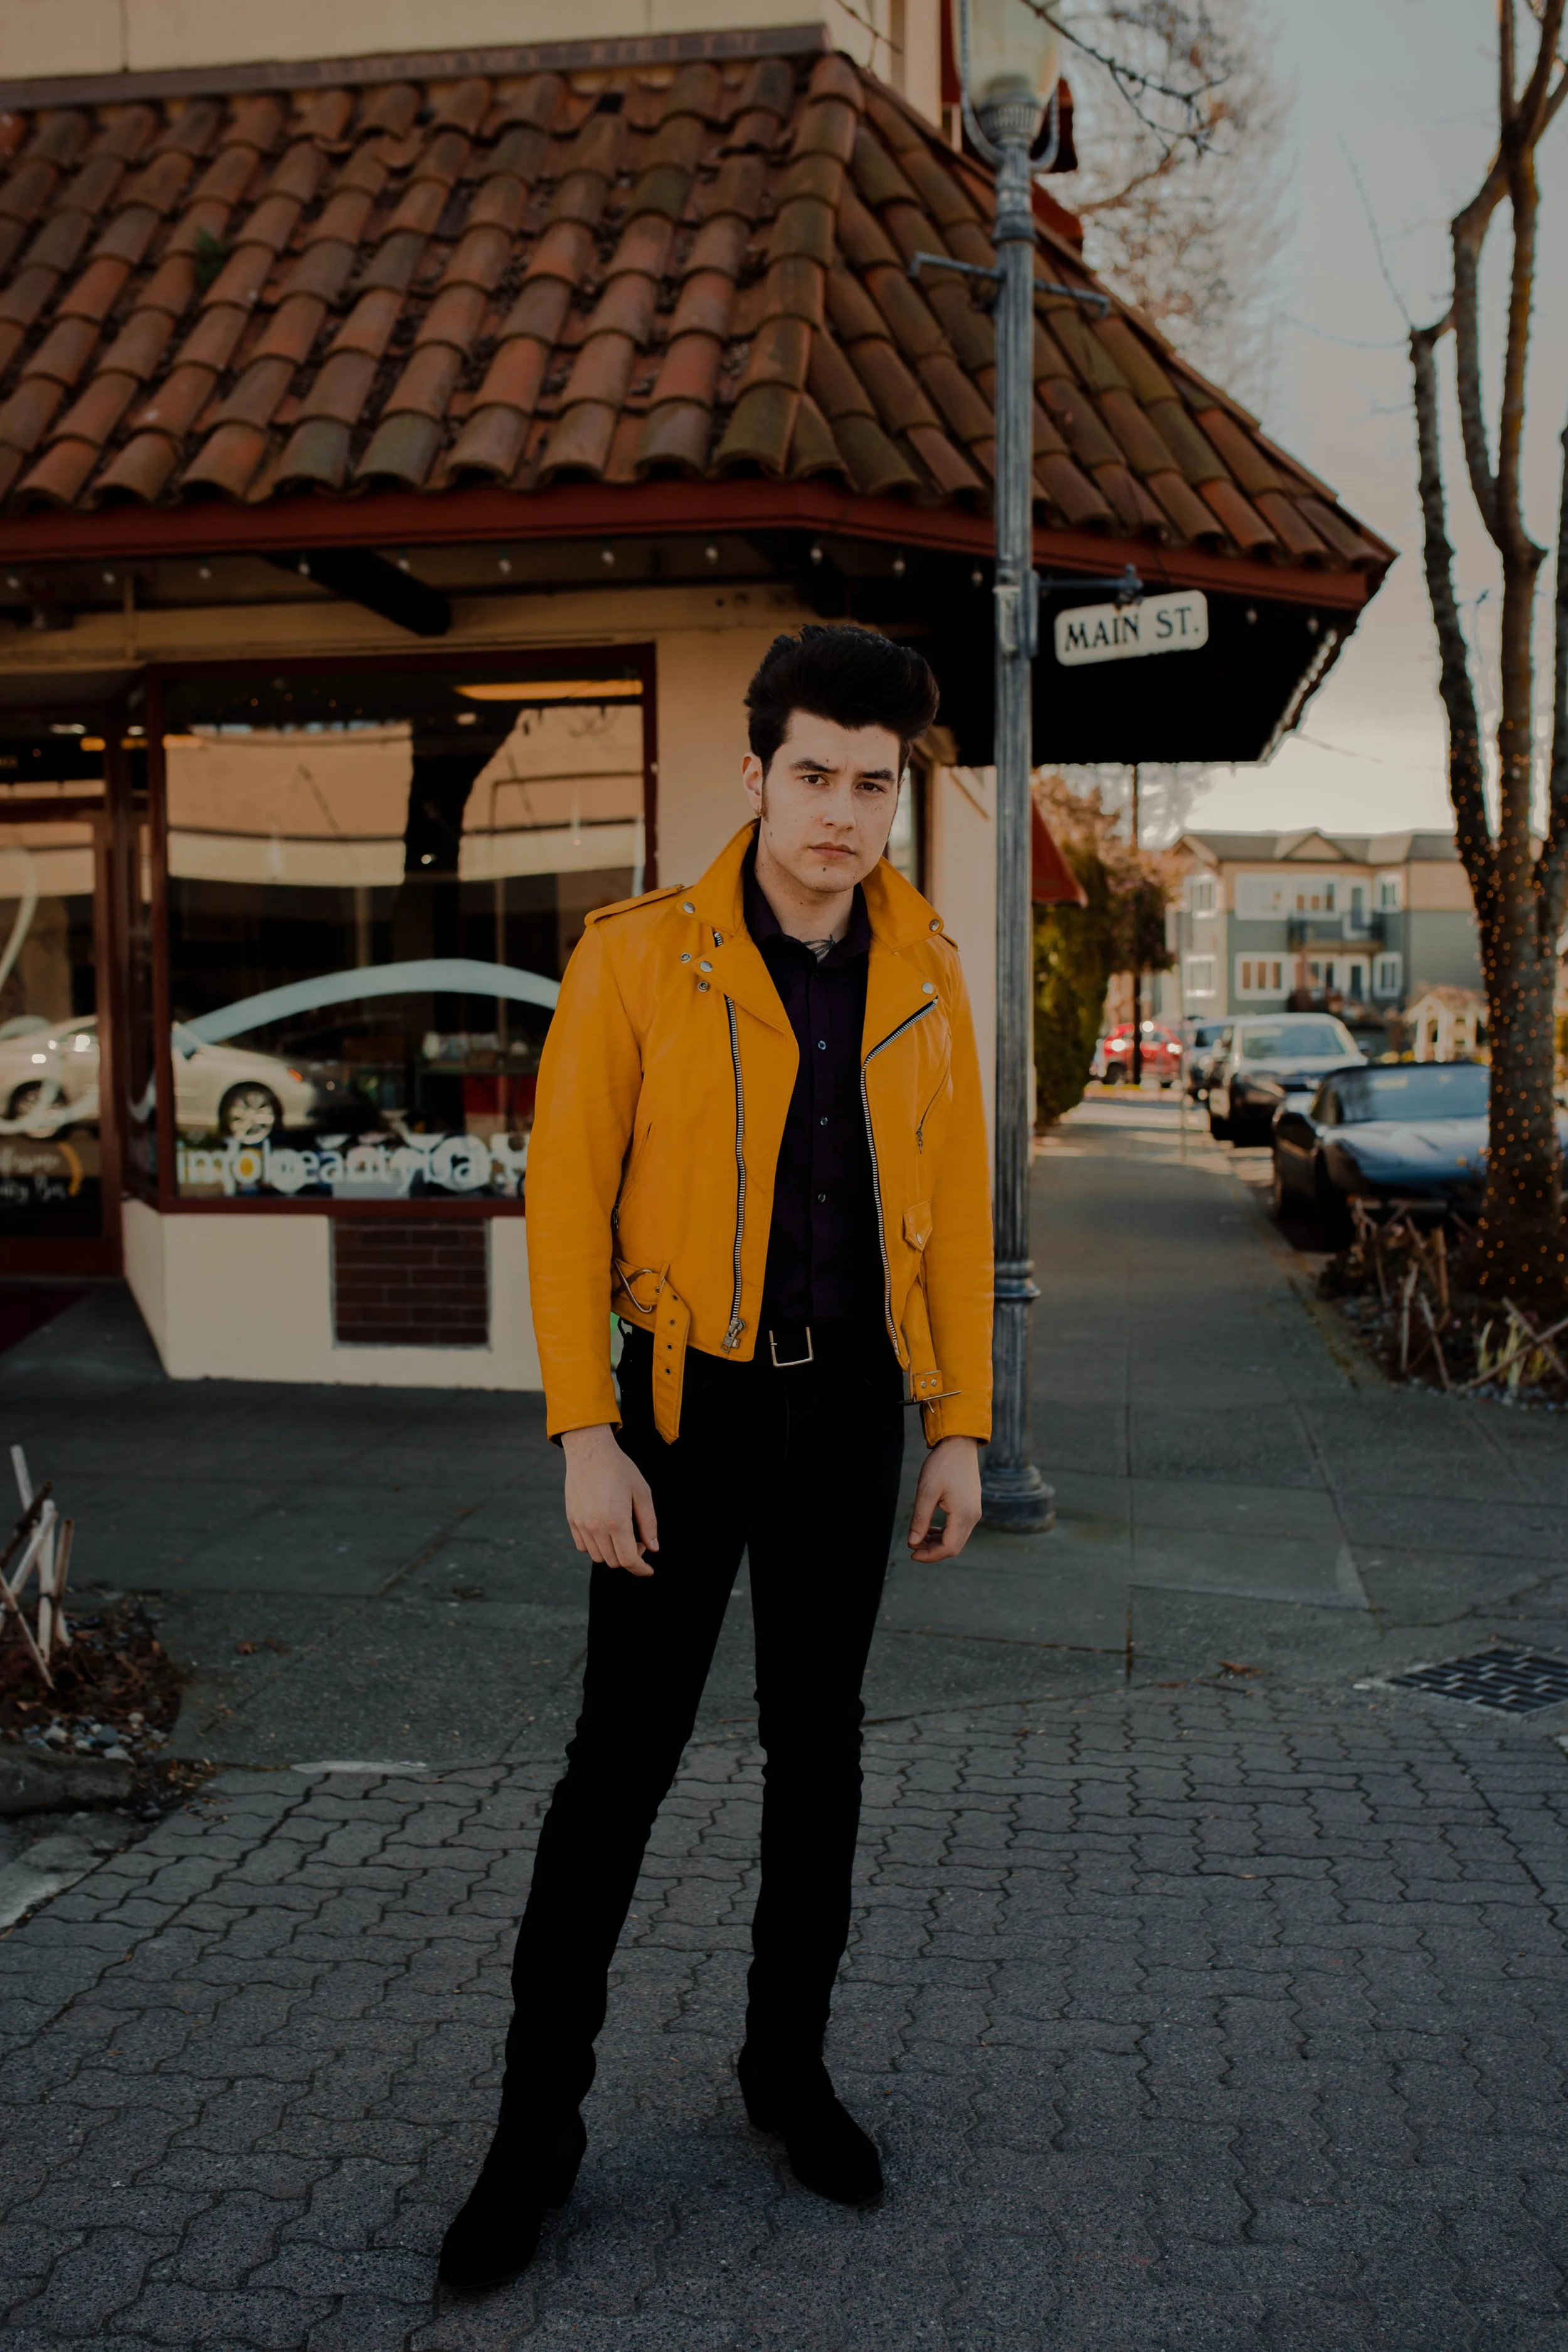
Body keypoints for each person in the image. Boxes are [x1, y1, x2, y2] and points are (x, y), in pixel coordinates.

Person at [439, 624, 994, 2291]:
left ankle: (785, 2070)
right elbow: (561, 1205)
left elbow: (958, 1211)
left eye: (872, 784)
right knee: (617, 1767)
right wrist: (584, 1433)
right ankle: (535, 2131)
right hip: (681, 1416)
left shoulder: (926, 969)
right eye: (812, 774)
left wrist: (960, 1424)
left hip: (857, 1414)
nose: (840, 812)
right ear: (754, 774)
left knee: (819, 1756)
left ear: (897, 792)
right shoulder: (638, 958)